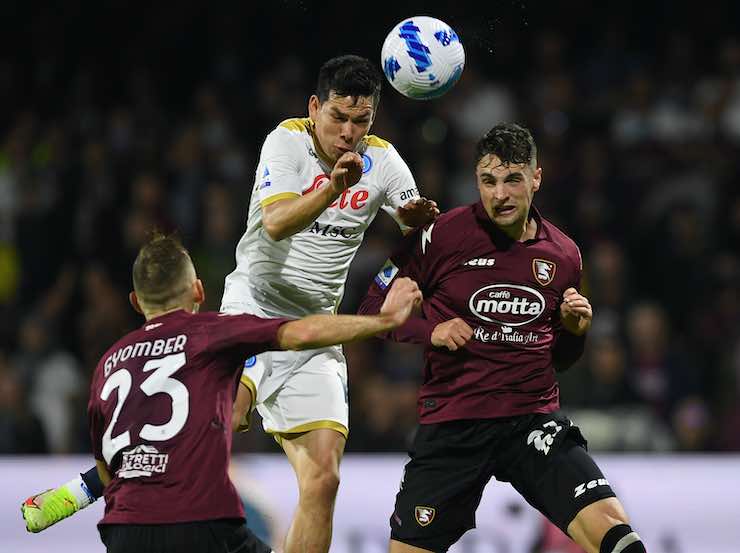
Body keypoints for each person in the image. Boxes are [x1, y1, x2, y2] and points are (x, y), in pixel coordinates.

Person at [21, 54, 438, 552]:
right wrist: (332, 188)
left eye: (361, 121)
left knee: (323, 481)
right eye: (338, 118)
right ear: (314, 108)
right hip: (254, 308)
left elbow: (424, 236)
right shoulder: (287, 141)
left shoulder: (385, 161)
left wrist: (414, 228)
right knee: (214, 422)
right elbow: (280, 222)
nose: (348, 132)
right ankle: (88, 486)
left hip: (316, 327)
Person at [27, 232, 422, 552]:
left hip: (124, 533)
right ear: (198, 291)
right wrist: (384, 320)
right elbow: (302, 332)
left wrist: (68, 498)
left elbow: (109, 470)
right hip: (201, 524)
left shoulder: (108, 363)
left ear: (135, 301)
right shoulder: (211, 332)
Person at [358, 123, 646, 553]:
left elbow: (561, 359)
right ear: (476, 180)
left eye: (512, 179)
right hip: (455, 422)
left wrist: (574, 330)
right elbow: (369, 311)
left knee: (620, 538)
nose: (499, 194)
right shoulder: (441, 236)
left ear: (536, 178)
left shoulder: (564, 255)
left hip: (531, 423)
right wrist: (429, 330)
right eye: (488, 181)